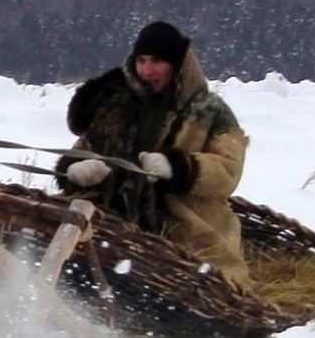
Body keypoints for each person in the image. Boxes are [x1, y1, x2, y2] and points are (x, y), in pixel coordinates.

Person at [54, 21, 252, 287]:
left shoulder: (210, 111)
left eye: (157, 61)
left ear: (177, 65)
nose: (146, 70)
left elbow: (229, 170)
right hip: (112, 232)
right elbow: (84, 149)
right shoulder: (115, 105)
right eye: (141, 60)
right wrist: (77, 169)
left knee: (204, 284)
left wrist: (178, 168)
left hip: (191, 236)